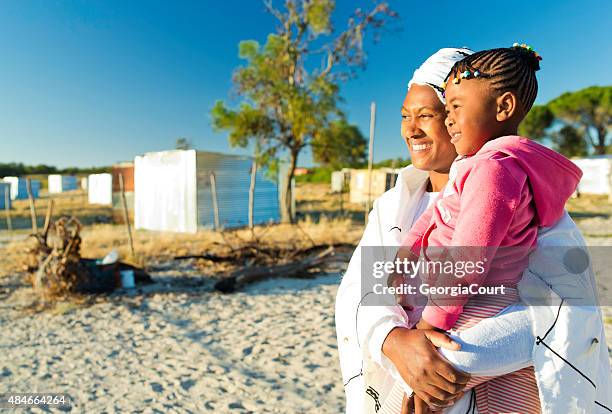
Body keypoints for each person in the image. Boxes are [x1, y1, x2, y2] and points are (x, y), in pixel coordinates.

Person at [335, 47, 612, 414]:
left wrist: (447, 355)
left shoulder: (518, 195)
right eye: (405, 116)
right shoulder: (391, 208)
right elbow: (358, 289)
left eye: (428, 114)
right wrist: (393, 339)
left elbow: (569, 308)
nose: (411, 129)